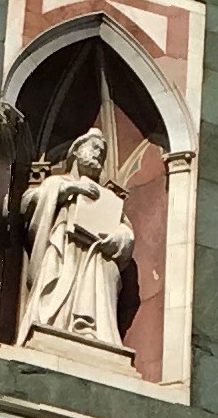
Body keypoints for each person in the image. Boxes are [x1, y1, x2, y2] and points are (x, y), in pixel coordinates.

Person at [16, 126, 136, 351]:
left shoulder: (108, 198)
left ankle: (92, 330)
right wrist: (70, 189)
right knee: (56, 280)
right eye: (93, 148)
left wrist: (117, 240)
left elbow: (126, 231)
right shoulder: (56, 183)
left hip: (95, 256)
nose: (98, 154)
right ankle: (53, 322)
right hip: (64, 247)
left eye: (102, 152)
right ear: (76, 152)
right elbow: (27, 202)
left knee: (103, 273)